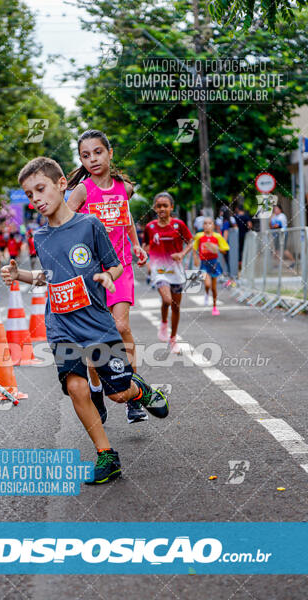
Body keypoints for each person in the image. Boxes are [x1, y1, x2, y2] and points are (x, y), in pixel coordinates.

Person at [1, 156, 169, 485]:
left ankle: (138, 391)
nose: (35, 198)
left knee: (117, 394)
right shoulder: (40, 237)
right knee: (76, 387)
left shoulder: (90, 225)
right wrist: (18, 274)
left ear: (62, 184)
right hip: (61, 325)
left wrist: (108, 277)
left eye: (40, 189)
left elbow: (116, 265)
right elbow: (49, 277)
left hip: (96, 323)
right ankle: (107, 455)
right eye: (29, 193)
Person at [66, 129, 149, 425]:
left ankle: (132, 391)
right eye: (85, 155)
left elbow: (125, 219)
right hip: (92, 273)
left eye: (98, 152)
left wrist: (136, 244)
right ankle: (97, 389)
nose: (93, 159)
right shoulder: (82, 191)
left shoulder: (122, 188)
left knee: (120, 324)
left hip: (121, 267)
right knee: (95, 340)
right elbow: (65, 222)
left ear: (110, 153)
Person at [143, 192, 193, 353]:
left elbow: (191, 242)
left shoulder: (179, 225)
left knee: (176, 307)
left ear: (171, 207)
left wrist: (182, 254)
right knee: (167, 299)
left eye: (165, 205)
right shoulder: (150, 227)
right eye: (159, 206)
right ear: (154, 208)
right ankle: (164, 323)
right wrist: (148, 262)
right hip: (159, 270)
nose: (162, 208)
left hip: (176, 270)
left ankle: (173, 339)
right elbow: (146, 246)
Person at [193, 217, 229, 316]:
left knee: (214, 287)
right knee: (207, 284)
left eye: (209, 223)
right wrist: (195, 258)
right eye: (205, 223)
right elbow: (194, 248)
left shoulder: (217, 236)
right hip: (204, 263)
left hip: (214, 263)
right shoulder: (199, 236)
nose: (207, 225)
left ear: (213, 225)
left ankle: (214, 306)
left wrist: (216, 248)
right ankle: (206, 293)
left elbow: (225, 250)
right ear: (203, 226)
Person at [233, 203, 253, 267]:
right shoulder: (246, 216)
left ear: (237, 209)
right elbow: (250, 225)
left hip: (237, 235)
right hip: (245, 235)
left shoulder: (235, 217)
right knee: (245, 248)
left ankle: (239, 261)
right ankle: (246, 261)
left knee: (238, 248)